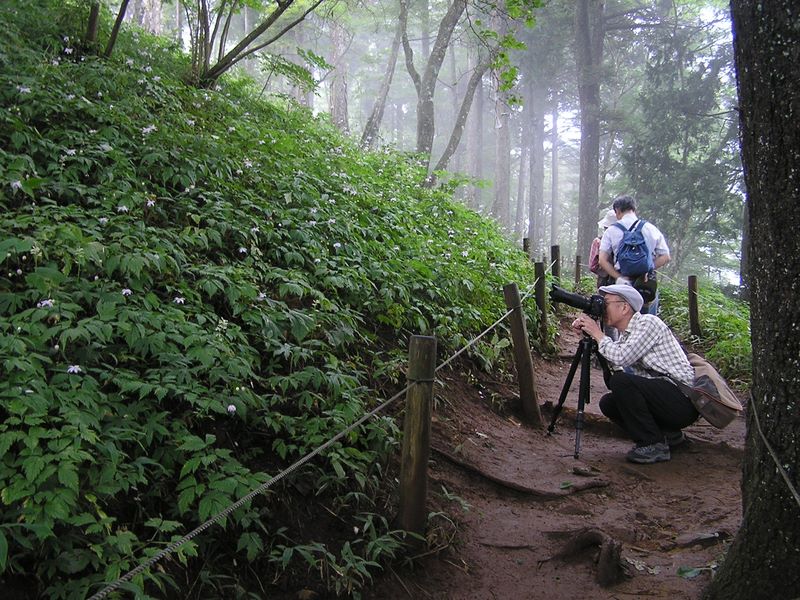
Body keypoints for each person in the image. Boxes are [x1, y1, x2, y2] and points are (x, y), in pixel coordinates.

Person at [571, 284, 697, 464]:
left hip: (682, 402)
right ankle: (668, 436)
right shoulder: (626, 335)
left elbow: (621, 359)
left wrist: (598, 334)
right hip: (666, 400)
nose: (602, 308)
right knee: (609, 403)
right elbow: (614, 373)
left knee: (622, 383)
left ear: (624, 307)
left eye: (605, 303)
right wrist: (590, 337)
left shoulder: (648, 323)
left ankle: (653, 444)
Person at [598, 195, 670, 315]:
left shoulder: (611, 230)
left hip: (622, 283)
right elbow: (666, 256)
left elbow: (602, 260)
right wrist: (647, 268)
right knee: (646, 319)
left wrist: (619, 277)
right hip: (645, 283)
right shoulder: (651, 228)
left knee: (621, 320)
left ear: (617, 210)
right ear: (634, 209)